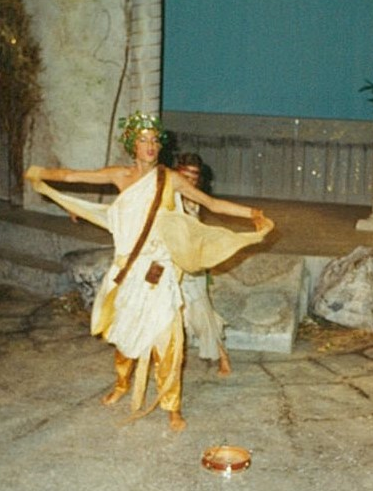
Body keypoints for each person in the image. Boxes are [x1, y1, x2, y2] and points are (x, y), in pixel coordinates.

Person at [24, 112, 271, 431]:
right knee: (125, 336)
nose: (150, 146)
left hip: (160, 271)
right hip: (128, 272)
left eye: (154, 140)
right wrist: (39, 172)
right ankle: (121, 384)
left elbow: (210, 203)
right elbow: (72, 176)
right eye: (143, 140)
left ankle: (172, 405)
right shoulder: (120, 175)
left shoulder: (170, 179)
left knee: (169, 341)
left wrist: (254, 213)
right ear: (133, 145)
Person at [175, 152, 232, 375]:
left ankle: (222, 356)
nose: (190, 181)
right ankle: (172, 359)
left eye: (194, 177)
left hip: (192, 264)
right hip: (170, 262)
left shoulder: (195, 199)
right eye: (185, 176)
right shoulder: (167, 195)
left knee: (201, 310)